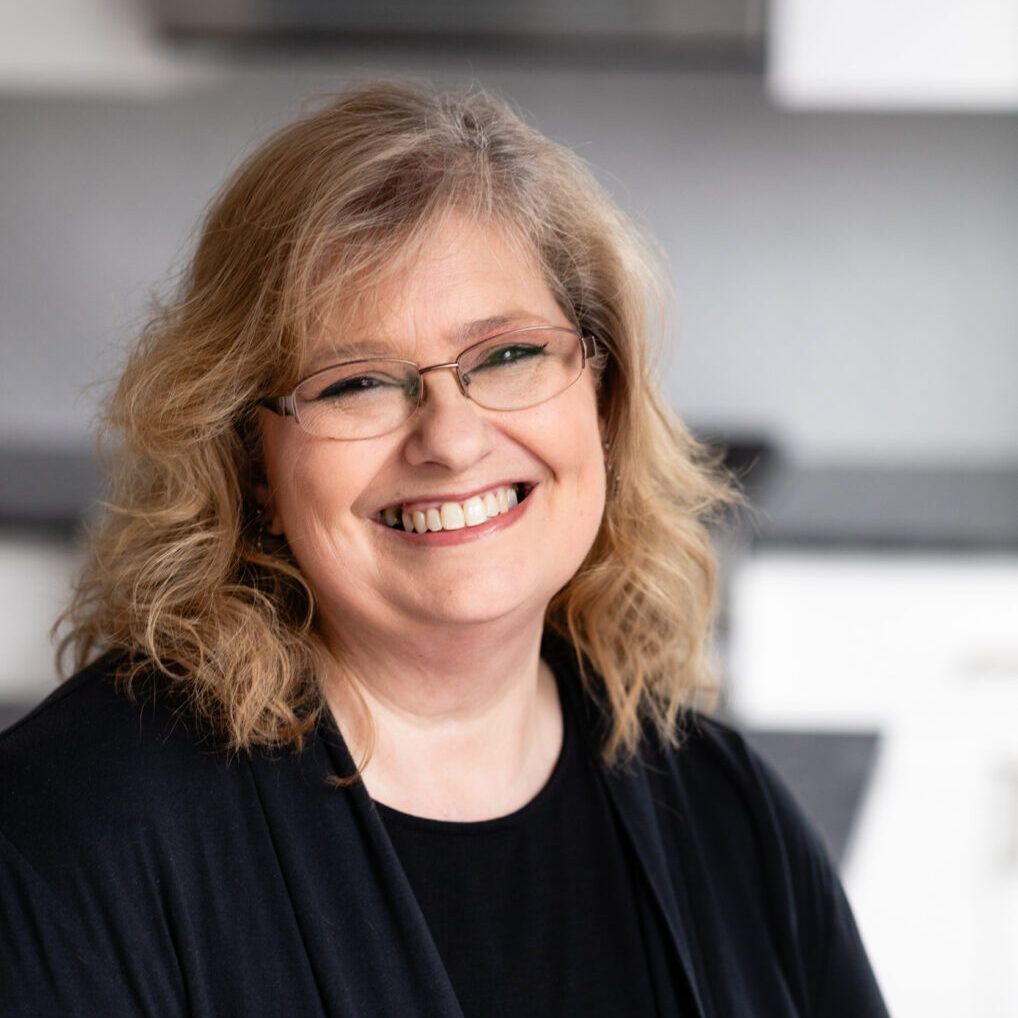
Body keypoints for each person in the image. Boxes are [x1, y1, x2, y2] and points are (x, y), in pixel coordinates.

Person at [0, 82, 889, 1017]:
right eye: (356, 383)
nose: (452, 441)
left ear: (603, 395)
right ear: (251, 464)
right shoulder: (68, 838)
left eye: (507, 356)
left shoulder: (728, 818)